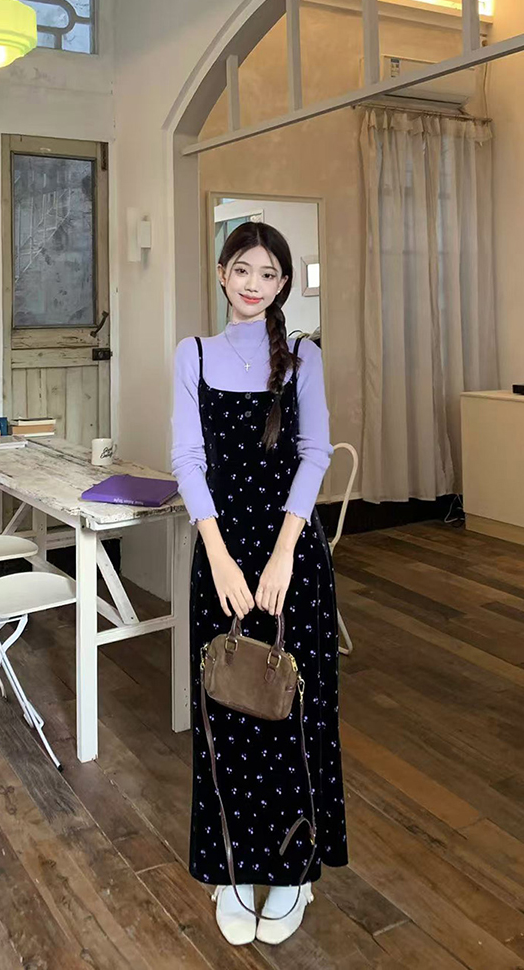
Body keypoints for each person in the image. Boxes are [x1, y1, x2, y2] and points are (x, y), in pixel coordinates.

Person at [170, 221, 348, 946]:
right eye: (242, 269)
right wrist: (217, 556)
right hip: (221, 552)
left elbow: (314, 454)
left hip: (290, 556)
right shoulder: (193, 354)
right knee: (228, 712)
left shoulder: (304, 357)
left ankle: (295, 871)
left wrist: (282, 555)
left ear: (282, 284)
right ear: (222, 274)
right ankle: (234, 869)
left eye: (268, 273)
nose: (253, 283)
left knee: (294, 713)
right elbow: (188, 460)